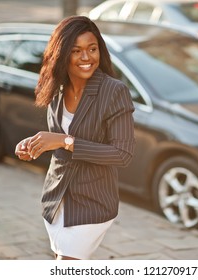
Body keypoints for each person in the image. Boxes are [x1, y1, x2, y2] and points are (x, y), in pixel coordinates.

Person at [14, 16, 135, 260]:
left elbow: (123, 154)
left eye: (92, 49)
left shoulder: (114, 91)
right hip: (57, 197)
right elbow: (57, 139)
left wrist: (64, 141)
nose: (86, 57)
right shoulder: (57, 88)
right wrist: (34, 144)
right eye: (76, 51)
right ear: (61, 53)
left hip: (92, 202)